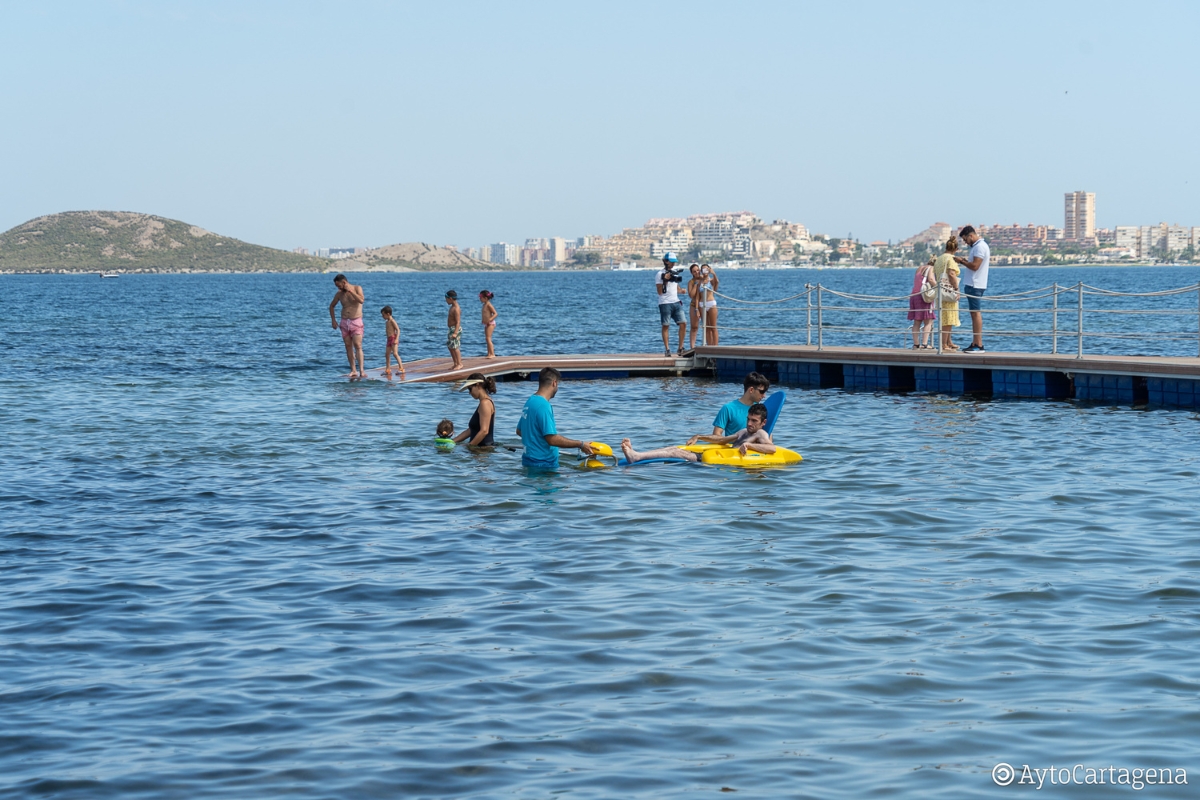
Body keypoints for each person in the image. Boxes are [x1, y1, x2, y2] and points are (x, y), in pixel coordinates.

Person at [621, 403, 775, 463]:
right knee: (675, 447)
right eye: (748, 419)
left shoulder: (760, 433)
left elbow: (772, 449)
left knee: (675, 453)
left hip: (712, 461)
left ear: (763, 422)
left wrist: (749, 445)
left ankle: (637, 456)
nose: (749, 423)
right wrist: (699, 436)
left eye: (754, 421)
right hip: (713, 455)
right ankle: (638, 454)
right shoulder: (743, 431)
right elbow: (722, 440)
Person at [516, 367, 595, 469]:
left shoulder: (530, 401)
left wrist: (536, 440)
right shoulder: (543, 406)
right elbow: (552, 440)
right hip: (544, 464)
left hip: (528, 461)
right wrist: (581, 444)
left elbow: (519, 431)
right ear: (554, 383)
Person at [954, 225, 990, 352]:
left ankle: (979, 344)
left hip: (975, 284)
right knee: (974, 313)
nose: (965, 242)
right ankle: (975, 342)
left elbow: (975, 266)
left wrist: (961, 261)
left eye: (965, 239)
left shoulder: (980, 247)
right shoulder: (978, 246)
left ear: (971, 235)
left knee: (975, 313)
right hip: (973, 284)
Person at [328, 273, 366, 378]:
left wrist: (350, 291)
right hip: (344, 322)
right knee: (348, 346)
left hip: (356, 321)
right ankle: (353, 370)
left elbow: (361, 300)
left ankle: (362, 370)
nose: (338, 288)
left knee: (358, 345)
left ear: (344, 282)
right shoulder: (339, 294)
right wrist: (333, 320)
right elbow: (331, 306)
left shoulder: (357, 288)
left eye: (339, 285)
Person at [712, 371, 770, 436]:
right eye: (762, 392)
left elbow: (768, 433)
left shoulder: (760, 410)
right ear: (751, 390)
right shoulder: (728, 408)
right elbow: (716, 434)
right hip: (734, 445)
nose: (764, 395)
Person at [655, 252, 688, 357]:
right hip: (665, 303)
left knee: (683, 323)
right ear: (665, 261)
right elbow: (660, 292)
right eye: (671, 262)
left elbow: (676, 287)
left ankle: (680, 348)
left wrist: (681, 290)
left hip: (676, 301)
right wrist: (665, 281)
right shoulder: (660, 274)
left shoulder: (674, 272)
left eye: (674, 262)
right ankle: (667, 349)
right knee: (666, 325)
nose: (673, 264)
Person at [453, 373, 497, 447]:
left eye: (470, 389)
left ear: (478, 385)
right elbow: (471, 430)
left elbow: (484, 431)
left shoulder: (485, 403)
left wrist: (469, 446)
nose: (469, 393)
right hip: (479, 450)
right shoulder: (486, 402)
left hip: (482, 451)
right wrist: (452, 441)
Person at [933, 236, 961, 351]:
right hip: (949, 291)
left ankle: (949, 341)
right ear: (956, 249)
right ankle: (944, 344)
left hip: (940, 291)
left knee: (946, 317)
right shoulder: (951, 259)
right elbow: (951, 274)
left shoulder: (939, 259)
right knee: (948, 318)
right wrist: (956, 288)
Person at [907, 256, 936, 349]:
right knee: (928, 321)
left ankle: (916, 344)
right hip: (923, 296)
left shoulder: (919, 268)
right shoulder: (931, 268)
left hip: (914, 295)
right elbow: (931, 279)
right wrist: (939, 286)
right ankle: (924, 344)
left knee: (917, 322)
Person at [381, 305, 405, 377]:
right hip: (389, 339)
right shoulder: (387, 322)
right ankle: (388, 369)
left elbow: (398, 330)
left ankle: (401, 368)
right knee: (387, 355)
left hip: (393, 338)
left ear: (388, 314)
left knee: (395, 353)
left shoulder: (392, 321)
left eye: (383, 315)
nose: (383, 317)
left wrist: (397, 339)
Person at [700, 263, 720, 345]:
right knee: (706, 327)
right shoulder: (699, 281)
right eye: (703, 269)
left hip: (711, 303)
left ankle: (715, 346)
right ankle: (709, 345)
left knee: (713, 327)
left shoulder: (711, 280)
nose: (705, 271)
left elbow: (716, 283)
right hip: (702, 304)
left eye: (706, 269)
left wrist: (713, 273)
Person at [445, 290, 463, 370]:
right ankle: (455, 363)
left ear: (451, 298)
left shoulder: (456, 308)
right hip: (451, 329)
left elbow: (458, 322)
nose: (446, 301)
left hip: (455, 329)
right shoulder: (452, 307)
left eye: (446, 299)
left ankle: (459, 364)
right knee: (450, 347)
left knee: (455, 347)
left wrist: (455, 332)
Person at [686, 264, 703, 351]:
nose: (697, 272)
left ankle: (709, 345)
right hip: (694, 305)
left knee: (708, 326)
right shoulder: (691, 282)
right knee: (694, 327)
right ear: (691, 273)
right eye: (694, 271)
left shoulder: (704, 279)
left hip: (703, 305)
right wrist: (696, 284)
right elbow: (691, 295)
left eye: (697, 270)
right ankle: (692, 347)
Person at [479, 290, 498, 359]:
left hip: (490, 323)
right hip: (486, 323)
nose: (480, 298)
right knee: (487, 338)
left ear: (486, 298)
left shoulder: (489, 305)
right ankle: (489, 353)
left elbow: (495, 313)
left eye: (481, 297)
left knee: (488, 338)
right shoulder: (484, 305)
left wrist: (490, 319)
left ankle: (492, 354)